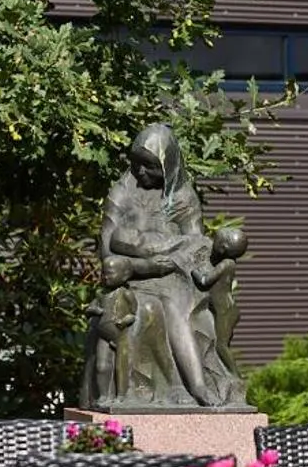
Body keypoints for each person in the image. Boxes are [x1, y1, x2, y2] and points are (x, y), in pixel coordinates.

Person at [87, 123, 246, 407]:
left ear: (168, 165)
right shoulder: (121, 192)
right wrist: (147, 264)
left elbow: (196, 247)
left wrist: (165, 250)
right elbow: (108, 249)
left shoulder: (184, 197)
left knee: (178, 307)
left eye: (150, 166)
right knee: (157, 308)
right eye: (136, 163)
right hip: (132, 277)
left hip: (175, 277)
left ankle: (197, 386)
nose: (141, 172)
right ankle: (184, 386)